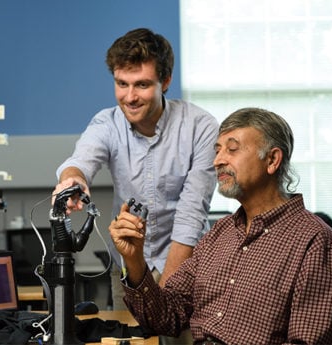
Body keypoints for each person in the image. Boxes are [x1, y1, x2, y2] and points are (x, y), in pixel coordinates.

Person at [110, 107, 332, 344]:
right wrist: (134, 260)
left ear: (272, 160)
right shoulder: (219, 234)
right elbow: (165, 317)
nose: (217, 161)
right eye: (217, 150)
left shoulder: (316, 242)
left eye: (232, 149)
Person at [53, 28, 218, 311]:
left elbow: (191, 216)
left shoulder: (201, 128)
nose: (129, 97)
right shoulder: (107, 124)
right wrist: (73, 180)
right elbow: (82, 159)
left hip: (186, 263)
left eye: (141, 85)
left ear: (165, 81)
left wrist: (163, 299)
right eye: (121, 83)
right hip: (129, 267)